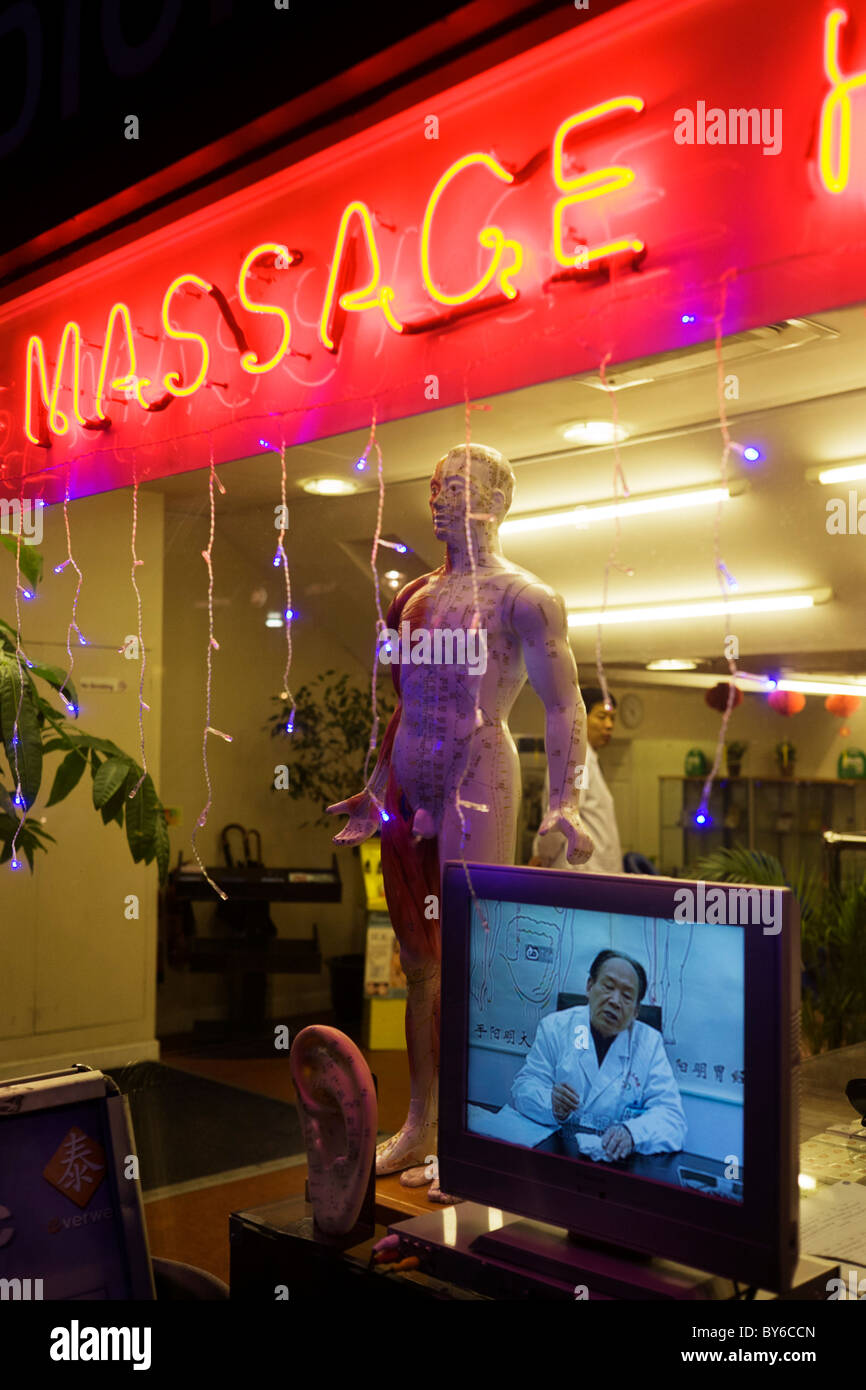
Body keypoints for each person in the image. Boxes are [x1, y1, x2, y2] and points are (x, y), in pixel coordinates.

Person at [327, 443, 595, 1199]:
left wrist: (564, 801)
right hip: (411, 782)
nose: (440, 500)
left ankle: (479, 1129)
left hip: (479, 772)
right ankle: (422, 1123)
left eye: (457, 489)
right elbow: (406, 700)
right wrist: (376, 787)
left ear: (497, 502)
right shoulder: (412, 596)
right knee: (420, 965)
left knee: (480, 963)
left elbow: (562, 703)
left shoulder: (527, 598)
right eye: (436, 486)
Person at [511, 950, 687, 1159]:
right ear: (589, 986)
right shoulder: (555, 1027)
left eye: (627, 995)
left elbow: (673, 1119)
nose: (614, 1000)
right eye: (608, 987)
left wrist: (632, 1132)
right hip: (559, 1155)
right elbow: (523, 1087)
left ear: (636, 1011)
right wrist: (550, 1103)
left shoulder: (649, 1043)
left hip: (617, 1164)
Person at [530, 686, 623, 874]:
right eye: (601, 716)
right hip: (581, 872)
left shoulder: (587, 759)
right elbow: (564, 815)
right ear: (582, 717)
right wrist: (542, 856)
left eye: (612, 718)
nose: (609, 725)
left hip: (597, 871)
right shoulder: (577, 761)